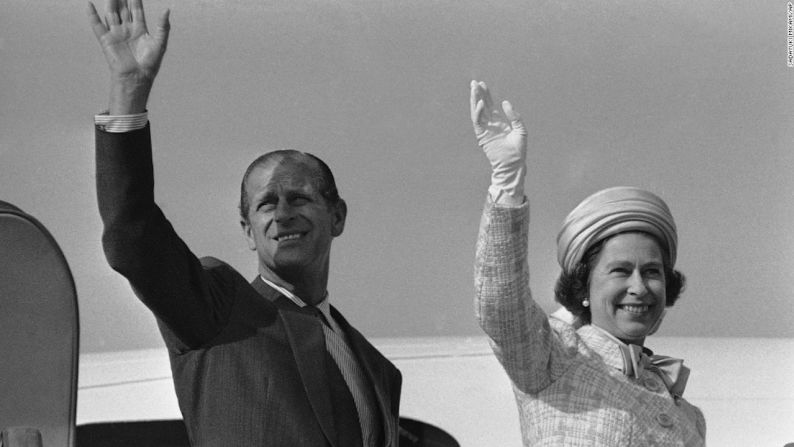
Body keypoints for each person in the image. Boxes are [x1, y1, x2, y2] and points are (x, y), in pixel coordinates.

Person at [87, 1, 401, 445]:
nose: (282, 213)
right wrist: (128, 93)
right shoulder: (219, 310)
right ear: (247, 231)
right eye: (265, 204)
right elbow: (131, 238)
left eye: (298, 198)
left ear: (337, 215)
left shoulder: (374, 367)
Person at [469, 80, 706, 446]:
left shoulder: (687, 415)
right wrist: (507, 185)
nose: (639, 287)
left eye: (652, 272)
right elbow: (501, 308)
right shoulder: (554, 357)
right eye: (620, 271)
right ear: (583, 286)